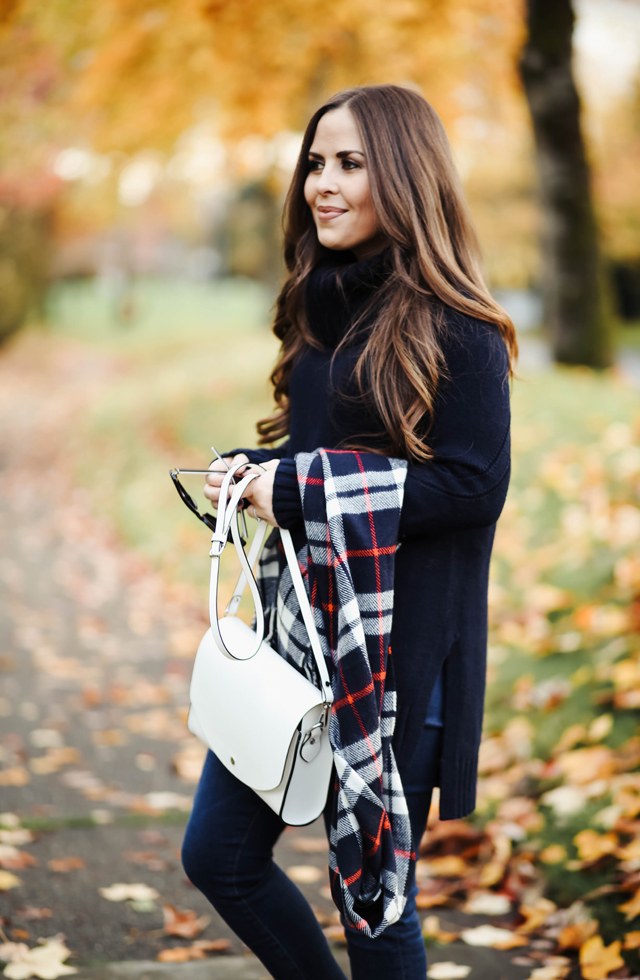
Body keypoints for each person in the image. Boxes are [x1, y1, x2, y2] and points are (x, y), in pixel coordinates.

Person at [181, 84, 516, 980]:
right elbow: (322, 450)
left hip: (398, 650)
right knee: (219, 855)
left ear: (406, 177)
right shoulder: (320, 306)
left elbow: (473, 486)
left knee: (372, 899)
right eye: (316, 163)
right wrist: (253, 475)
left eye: (351, 164)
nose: (321, 184)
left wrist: (298, 487)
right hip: (303, 630)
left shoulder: (461, 327)